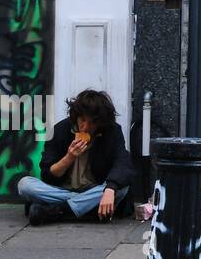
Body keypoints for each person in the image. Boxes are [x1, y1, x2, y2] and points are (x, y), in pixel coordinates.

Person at [19, 90, 133, 226]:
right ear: (76, 116)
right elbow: (47, 174)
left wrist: (109, 189)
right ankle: (86, 209)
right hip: (62, 190)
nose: (85, 127)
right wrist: (69, 157)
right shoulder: (60, 130)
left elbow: (123, 161)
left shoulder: (112, 131)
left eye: (92, 122)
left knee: (121, 188)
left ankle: (57, 210)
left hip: (94, 189)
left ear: (101, 122)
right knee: (25, 185)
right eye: (82, 120)